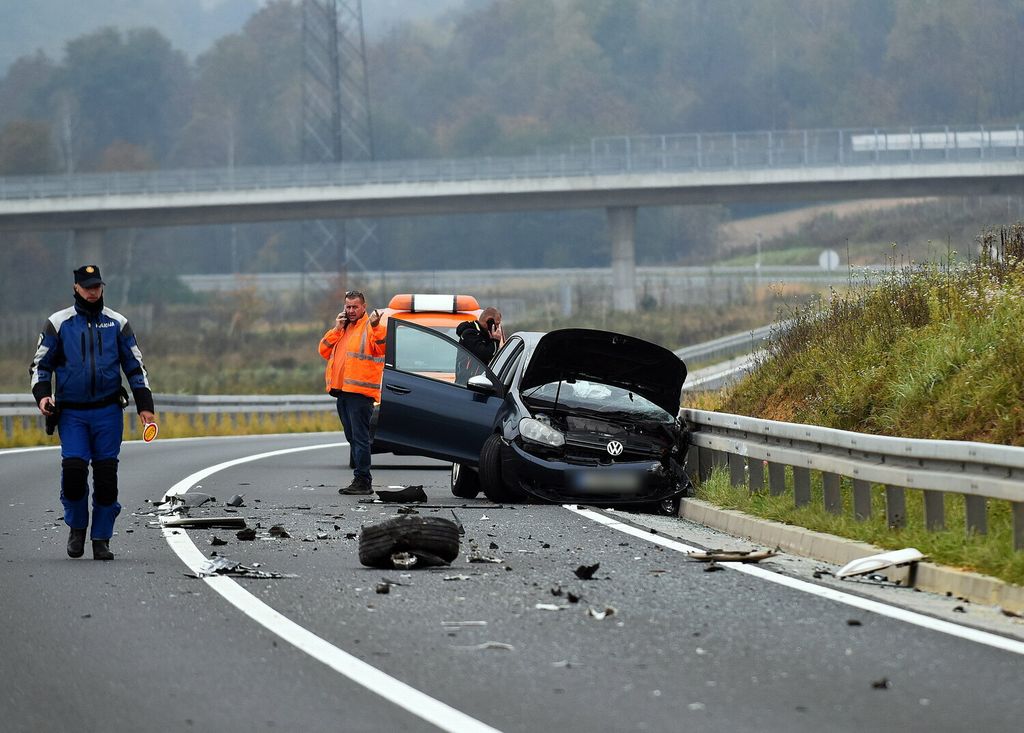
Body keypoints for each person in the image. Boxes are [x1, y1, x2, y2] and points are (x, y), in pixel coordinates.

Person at [30, 265, 156, 561]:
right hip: (72, 413)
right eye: (87, 286)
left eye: (97, 286)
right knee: (74, 474)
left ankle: (101, 539)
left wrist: (145, 406)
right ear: (76, 288)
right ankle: (77, 528)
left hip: (108, 413)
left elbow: (135, 367)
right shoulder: (58, 323)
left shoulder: (117, 323)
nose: (92, 291)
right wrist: (42, 396)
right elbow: (40, 366)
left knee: (106, 479)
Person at [319, 289, 386, 495]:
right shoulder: (343, 328)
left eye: (355, 307)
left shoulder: (371, 327)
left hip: (360, 392)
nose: (351, 310)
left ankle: (363, 480)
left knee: (360, 438)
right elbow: (323, 350)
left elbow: (381, 348)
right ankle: (361, 478)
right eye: (348, 306)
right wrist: (337, 328)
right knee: (352, 437)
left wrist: (376, 326)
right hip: (342, 391)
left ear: (363, 307)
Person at [456, 306, 504, 381]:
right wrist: (495, 341)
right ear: (489, 321)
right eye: (497, 324)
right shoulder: (470, 334)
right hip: (467, 385)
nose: (498, 328)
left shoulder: (485, 335)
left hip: (479, 382)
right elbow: (486, 355)